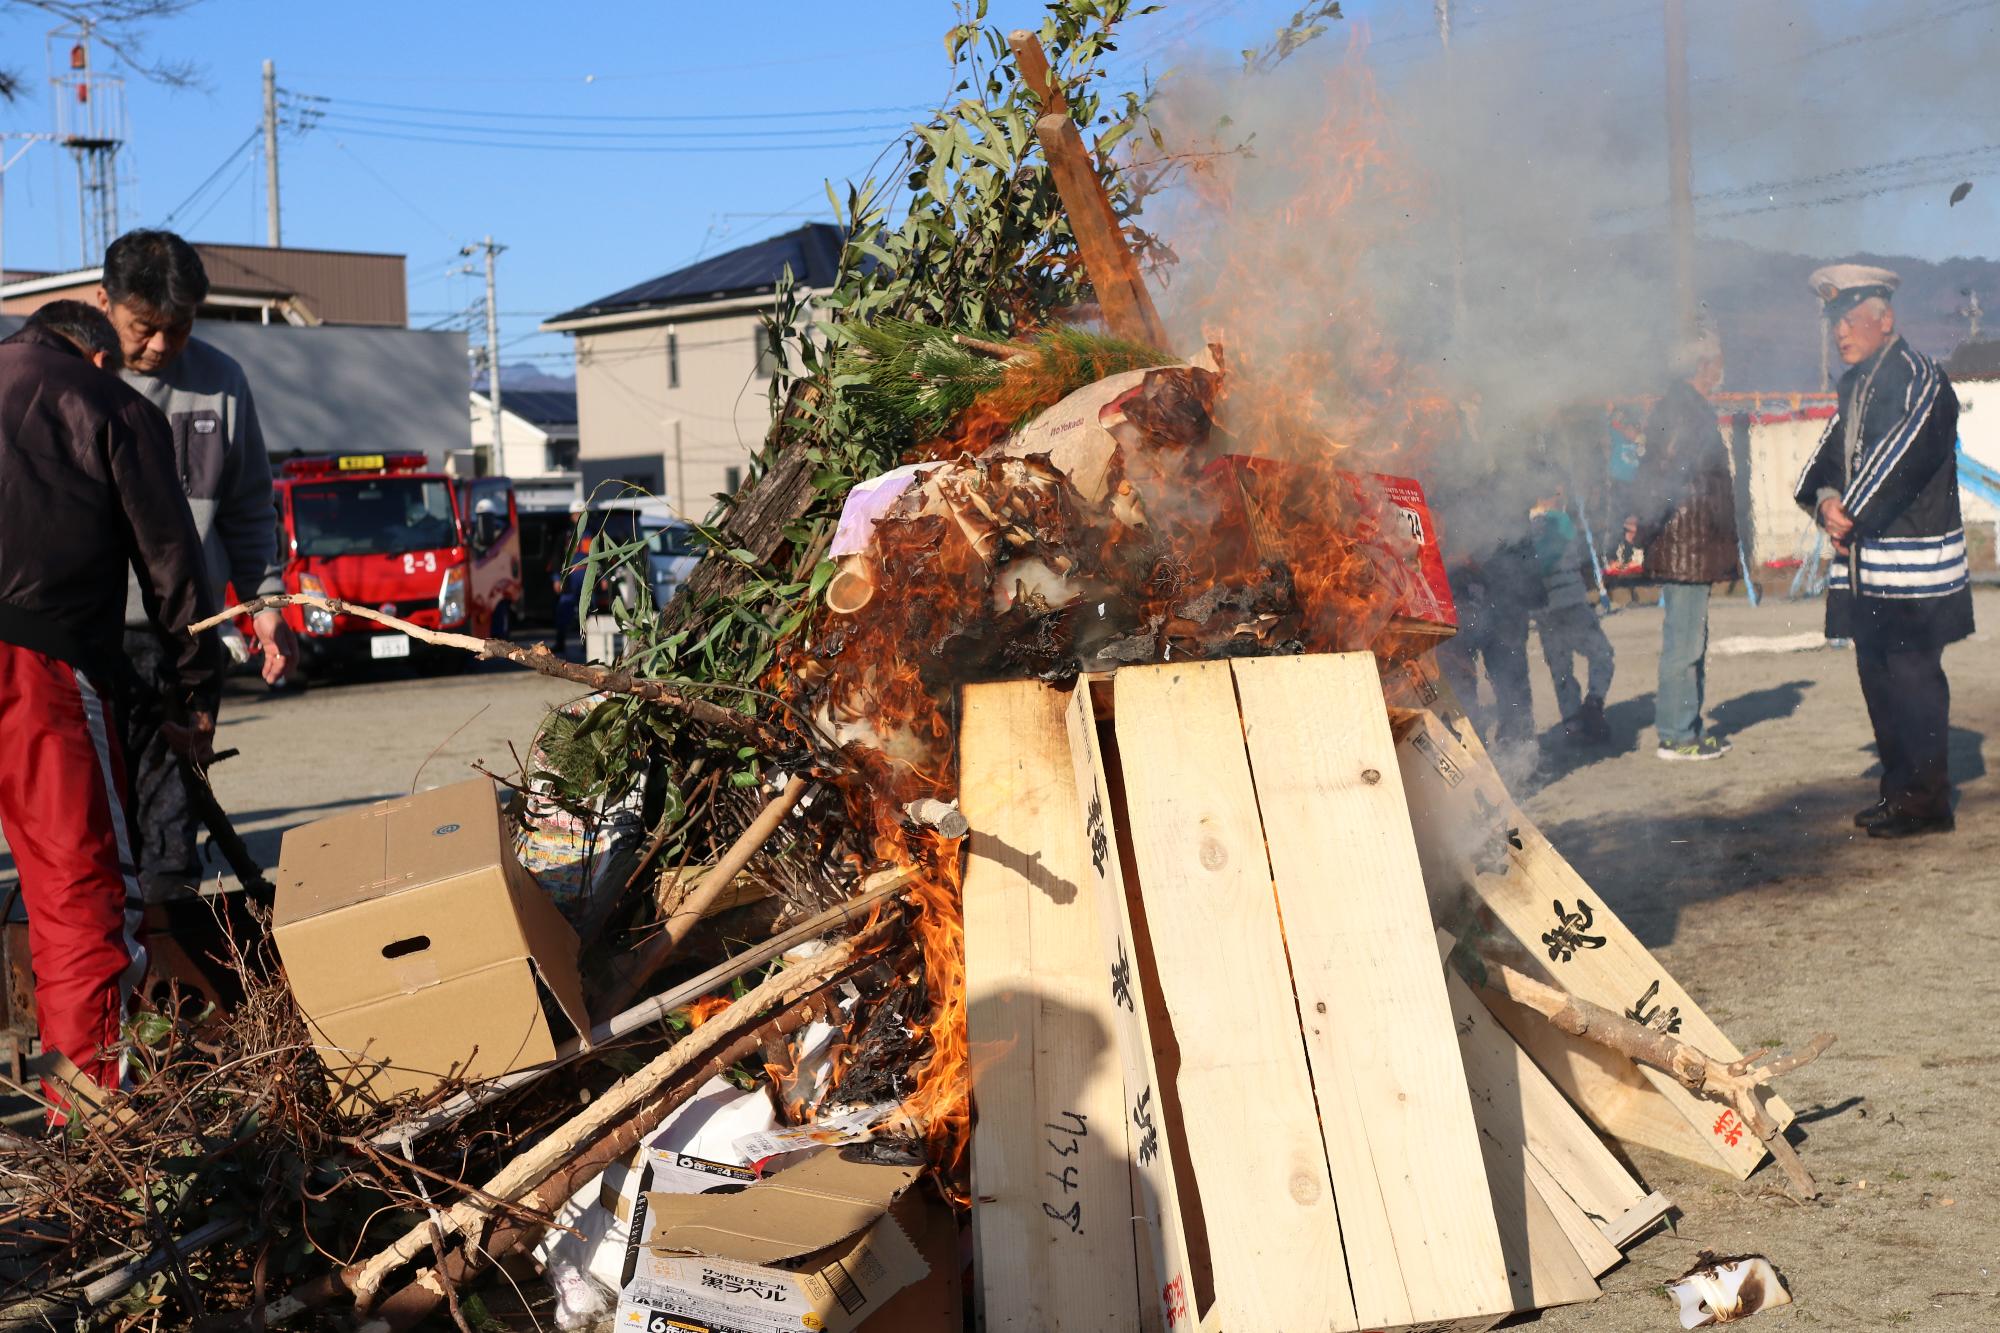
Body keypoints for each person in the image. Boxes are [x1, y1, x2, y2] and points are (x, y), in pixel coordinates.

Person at [0, 301, 221, 1095]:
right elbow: (171, 568)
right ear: (96, 355)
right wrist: (195, 691)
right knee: (79, 897)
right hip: (39, 664)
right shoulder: (109, 402)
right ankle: (90, 1122)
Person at [95, 230, 293, 901]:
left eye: (176, 330)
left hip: (189, 633)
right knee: (95, 814)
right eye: (142, 328)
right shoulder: (74, 378)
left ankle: (167, 981)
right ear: (105, 302)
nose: (156, 346)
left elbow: (247, 508)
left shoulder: (222, 382)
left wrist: (267, 609)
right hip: (87, 635)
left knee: (172, 815)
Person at [1793, 264, 1968, 839]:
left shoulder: (1921, 378)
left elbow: (1904, 456)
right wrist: (1823, 503)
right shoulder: (1855, 384)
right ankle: (1899, 792)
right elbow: (1826, 459)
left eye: (1848, 320)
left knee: (1914, 680)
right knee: (1878, 676)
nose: (1840, 333)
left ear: (1884, 318)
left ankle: (1926, 801)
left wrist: (1851, 512)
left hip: (1915, 569)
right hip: (1866, 565)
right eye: (1834, 323)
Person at [1625, 325, 1739, 761]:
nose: (1721, 368)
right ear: (1701, 365)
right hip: (1686, 543)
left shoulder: (1686, 407)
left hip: (1689, 542)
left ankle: (1686, 729)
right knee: (1685, 642)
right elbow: (1662, 475)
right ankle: (1676, 735)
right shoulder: (1685, 410)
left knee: (1689, 639)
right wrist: (1647, 524)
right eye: (1717, 360)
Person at [1530, 480, 1614, 742]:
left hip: (1543, 607)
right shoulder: (1560, 521)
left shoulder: (1522, 528)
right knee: (1602, 654)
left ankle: (1572, 723)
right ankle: (1594, 704)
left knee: (1560, 666)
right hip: (1572, 602)